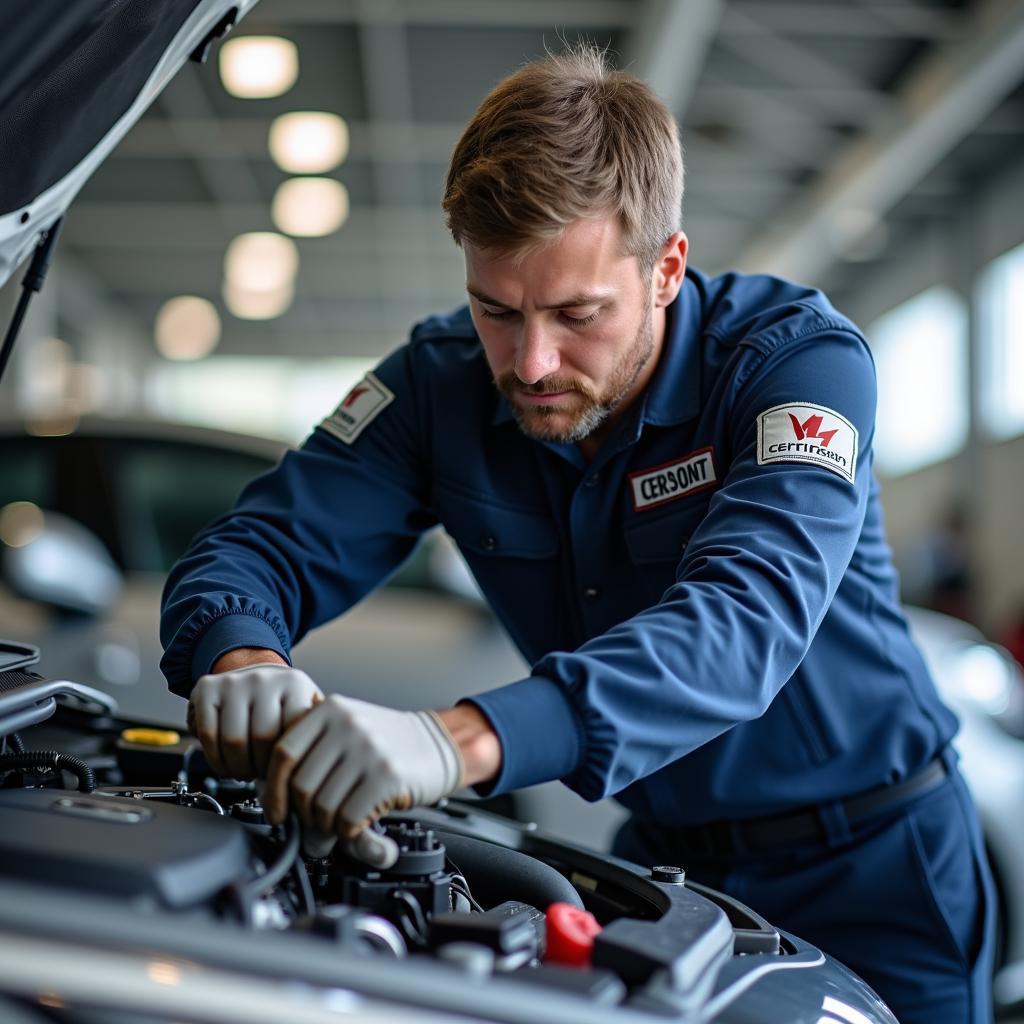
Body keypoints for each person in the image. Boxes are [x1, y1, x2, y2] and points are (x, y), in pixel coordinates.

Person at [161, 44, 993, 1023]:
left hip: (874, 868)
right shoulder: (438, 385)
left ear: (665, 269)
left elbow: (743, 620)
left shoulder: (790, 366)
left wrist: (457, 739)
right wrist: (243, 654)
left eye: (576, 313)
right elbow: (256, 546)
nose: (531, 361)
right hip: (668, 876)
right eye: (496, 310)